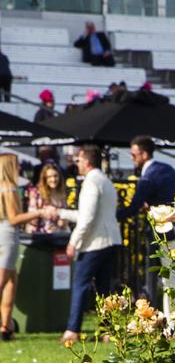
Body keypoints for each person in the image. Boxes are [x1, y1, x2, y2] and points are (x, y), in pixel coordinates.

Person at [58, 146, 121, 343]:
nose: (76, 163)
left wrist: (73, 242)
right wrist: (60, 213)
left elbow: (87, 219)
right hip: (112, 240)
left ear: (87, 161)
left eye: (78, 160)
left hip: (95, 243)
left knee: (80, 284)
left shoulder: (91, 182)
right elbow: (91, 215)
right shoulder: (105, 180)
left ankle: (72, 330)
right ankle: (107, 330)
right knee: (104, 288)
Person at [117, 135, 175, 317]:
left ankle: (169, 322)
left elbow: (133, 207)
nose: (131, 158)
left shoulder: (148, 176)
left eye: (133, 154)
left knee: (168, 280)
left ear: (144, 154)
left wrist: (112, 216)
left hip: (163, 233)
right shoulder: (167, 169)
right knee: (171, 278)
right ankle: (165, 317)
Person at [0, 154, 58, 340]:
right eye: (16, 165)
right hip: (8, 235)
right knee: (2, 281)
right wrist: (40, 212)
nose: (19, 168)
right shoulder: (8, 188)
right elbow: (14, 218)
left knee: (11, 282)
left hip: (6, 234)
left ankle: (6, 326)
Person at [25, 163, 69, 234]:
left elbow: (65, 215)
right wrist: (45, 212)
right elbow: (31, 217)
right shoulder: (37, 193)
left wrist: (63, 221)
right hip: (40, 235)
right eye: (49, 177)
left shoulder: (62, 193)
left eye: (55, 176)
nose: (53, 179)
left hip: (59, 235)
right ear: (44, 179)